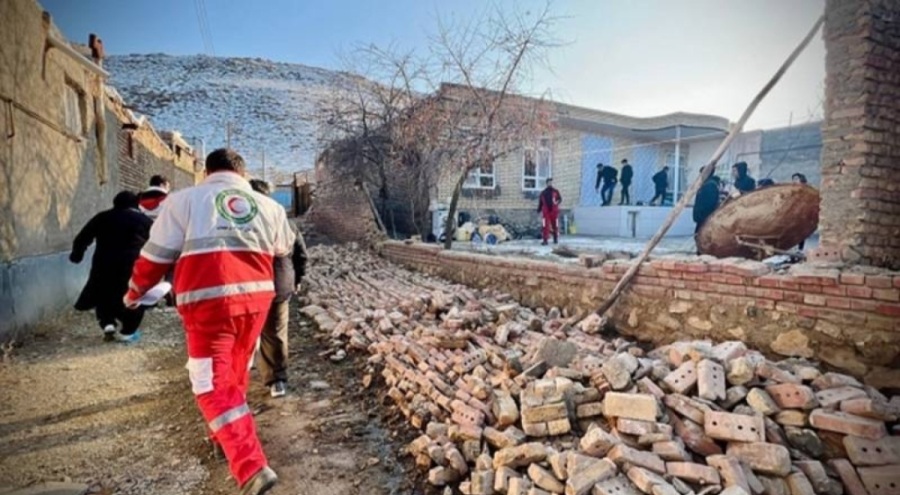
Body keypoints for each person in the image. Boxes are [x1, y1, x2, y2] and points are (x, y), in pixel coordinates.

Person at [124, 149, 294, 495]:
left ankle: (251, 467)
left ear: (206, 171)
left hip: (208, 304)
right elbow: (282, 250)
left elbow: (154, 256)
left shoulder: (185, 201)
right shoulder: (270, 206)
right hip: (255, 303)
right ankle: (223, 438)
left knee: (209, 384)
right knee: (232, 374)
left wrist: (134, 293)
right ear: (242, 174)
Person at [249, 179, 309, 398]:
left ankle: (240, 371)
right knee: (275, 331)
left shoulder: (238, 222)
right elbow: (301, 255)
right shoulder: (285, 222)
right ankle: (277, 380)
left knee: (245, 328)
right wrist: (298, 279)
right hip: (278, 283)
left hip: (245, 284)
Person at [70, 191, 153, 343]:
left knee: (104, 293)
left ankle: (107, 323)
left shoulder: (102, 217)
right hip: (132, 265)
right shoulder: (143, 220)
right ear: (134, 204)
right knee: (132, 296)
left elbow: (83, 236)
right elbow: (157, 242)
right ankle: (128, 331)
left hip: (104, 263)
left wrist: (77, 254)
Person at [693, 170, 721, 235]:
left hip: (705, 219)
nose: (700, 176)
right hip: (701, 219)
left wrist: (702, 215)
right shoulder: (705, 184)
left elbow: (710, 203)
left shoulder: (710, 185)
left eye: (701, 174)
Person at [537, 177, 562, 245]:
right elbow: (540, 203)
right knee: (545, 226)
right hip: (546, 212)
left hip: (554, 212)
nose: (550, 183)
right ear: (547, 183)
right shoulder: (543, 193)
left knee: (555, 225)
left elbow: (560, 199)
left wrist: (557, 202)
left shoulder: (556, 191)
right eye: (549, 182)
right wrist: (538, 210)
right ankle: (545, 240)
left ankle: (555, 239)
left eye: (551, 182)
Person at [792, 173, 810, 250]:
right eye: (793, 180)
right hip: (793, 214)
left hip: (802, 214)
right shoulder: (792, 190)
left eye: (796, 179)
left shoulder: (807, 190)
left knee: (800, 233)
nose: (794, 181)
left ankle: (800, 249)